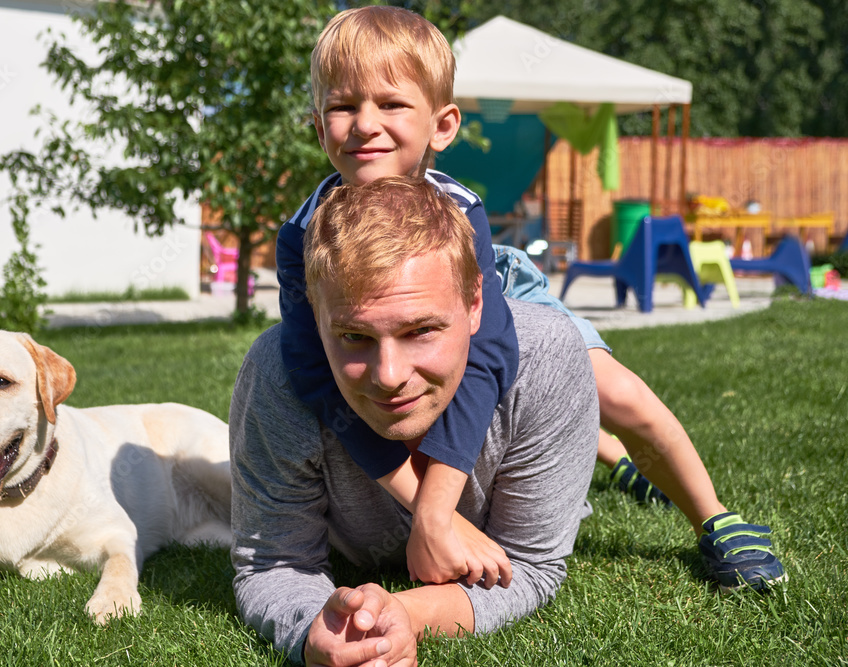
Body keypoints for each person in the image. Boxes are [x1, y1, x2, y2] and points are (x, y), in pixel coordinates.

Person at [276, 5, 786, 594]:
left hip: (496, 282)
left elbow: (490, 358)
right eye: (343, 106)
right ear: (319, 127)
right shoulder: (304, 237)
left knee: (618, 393)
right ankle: (600, 452)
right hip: (402, 317)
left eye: (391, 104)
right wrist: (425, 508)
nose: (365, 124)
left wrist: (437, 514)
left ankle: (715, 518)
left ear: (442, 126)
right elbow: (315, 372)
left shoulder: (460, 210)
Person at [231, 176, 600, 665]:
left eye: (420, 330)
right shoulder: (277, 376)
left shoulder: (546, 359)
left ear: (474, 305)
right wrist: (314, 631)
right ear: (314, 318)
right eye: (354, 337)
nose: (388, 377)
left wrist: (404, 613)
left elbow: (530, 565)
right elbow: (274, 563)